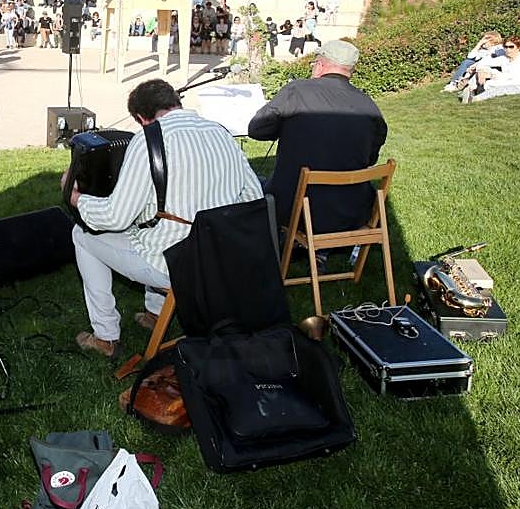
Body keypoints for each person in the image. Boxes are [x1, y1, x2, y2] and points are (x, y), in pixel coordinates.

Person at [65, 79, 262, 357]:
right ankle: (156, 313)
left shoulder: (148, 139)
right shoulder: (221, 132)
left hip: (177, 266)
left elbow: (115, 217)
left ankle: (105, 336)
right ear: (175, 103)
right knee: (151, 227)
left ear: (141, 118)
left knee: (83, 234)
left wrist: (77, 199)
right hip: (222, 259)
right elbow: (253, 197)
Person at [248, 40, 387, 236]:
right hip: (351, 212)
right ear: (350, 70)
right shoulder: (369, 105)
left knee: (252, 183)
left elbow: (256, 129)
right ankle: (320, 250)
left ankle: (281, 242)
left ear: (320, 65)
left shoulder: (297, 90)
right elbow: (370, 158)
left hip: (296, 210)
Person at [459, 36, 520, 103]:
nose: (508, 49)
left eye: (511, 47)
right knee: (484, 72)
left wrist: (491, 75)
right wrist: (481, 71)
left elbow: (511, 76)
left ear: (519, 47)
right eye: (505, 47)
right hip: (505, 81)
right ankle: (470, 89)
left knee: (497, 90)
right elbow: (485, 62)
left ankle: (474, 98)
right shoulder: (504, 58)